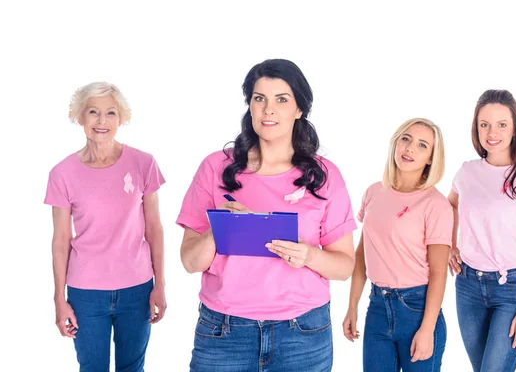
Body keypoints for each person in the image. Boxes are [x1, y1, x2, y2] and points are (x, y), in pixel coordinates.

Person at [177, 59, 357, 371]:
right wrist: (218, 228)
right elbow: (190, 262)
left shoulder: (325, 176)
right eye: (259, 99)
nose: (268, 110)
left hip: (302, 332)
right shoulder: (214, 167)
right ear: (250, 106)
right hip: (224, 332)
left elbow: (344, 267)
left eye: (281, 100)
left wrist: (308, 256)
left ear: (299, 109)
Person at [44, 82, 167, 372]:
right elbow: (61, 241)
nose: (102, 121)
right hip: (85, 293)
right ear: (80, 117)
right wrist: (58, 299)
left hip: (137, 288)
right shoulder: (62, 173)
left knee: (132, 368)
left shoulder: (143, 163)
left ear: (121, 118)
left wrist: (159, 284)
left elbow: (155, 229)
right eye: (93, 112)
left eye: (110, 113)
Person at [448, 89, 516, 372]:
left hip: (514, 289)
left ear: (515, 128)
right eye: (484, 124)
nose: (491, 132)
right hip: (468, 285)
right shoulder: (466, 172)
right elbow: (450, 207)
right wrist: (450, 245)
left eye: (501, 124)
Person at [342, 118, 452, 371]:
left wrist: (427, 329)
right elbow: (362, 254)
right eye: (406, 139)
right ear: (395, 143)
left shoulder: (435, 204)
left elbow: (438, 273)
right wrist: (352, 307)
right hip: (378, 308)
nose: (410, 148)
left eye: (422, 145)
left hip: (417, 309)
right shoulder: (373, 192)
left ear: (431, 159)